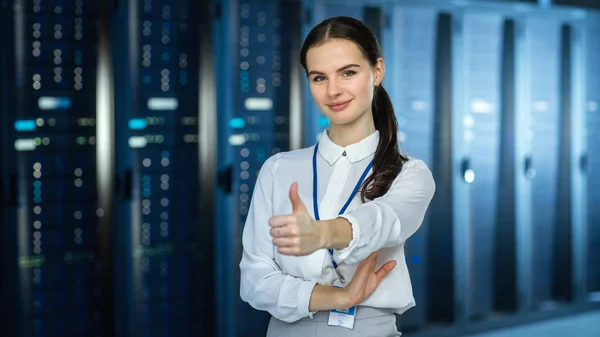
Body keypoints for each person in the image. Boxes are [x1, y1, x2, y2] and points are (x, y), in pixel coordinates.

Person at [239, 16, 435, 337]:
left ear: (377, 72)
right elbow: (255, 279)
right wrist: (339, 297)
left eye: (347, 72)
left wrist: (323, 234)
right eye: (319, 78)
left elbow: (384, 220)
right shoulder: (278, 168)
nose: (333, 90)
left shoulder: (409, 172)